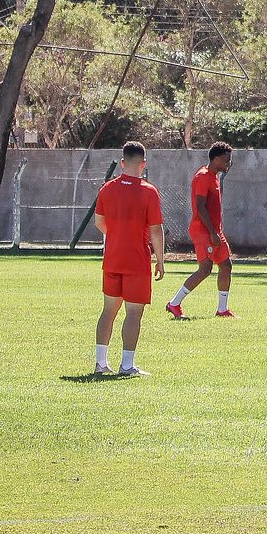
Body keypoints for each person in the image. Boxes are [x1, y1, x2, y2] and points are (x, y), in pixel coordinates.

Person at [91, 142, 166, 376]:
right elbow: (155, 229)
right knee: (133, 313)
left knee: (108, 311)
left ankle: (101, 363)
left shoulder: (107, 189)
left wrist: (116, 236)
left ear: (122, 163)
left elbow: (98, 222)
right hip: (136, 261)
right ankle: (127, 365)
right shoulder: (148, 191)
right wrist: (161, 260)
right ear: (143, 164)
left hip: (112, 258)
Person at [168, 142, 235, 319]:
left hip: (214, 230)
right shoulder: (203, 176)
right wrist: (212, 232)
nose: (229, 163)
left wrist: (216, 231)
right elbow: (200, 206)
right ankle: (174, 303)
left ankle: (222, 310)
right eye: (227, 160)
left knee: (226, 266)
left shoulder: (213, 176)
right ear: (216, 158)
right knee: (205, 268)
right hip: (203, 230)